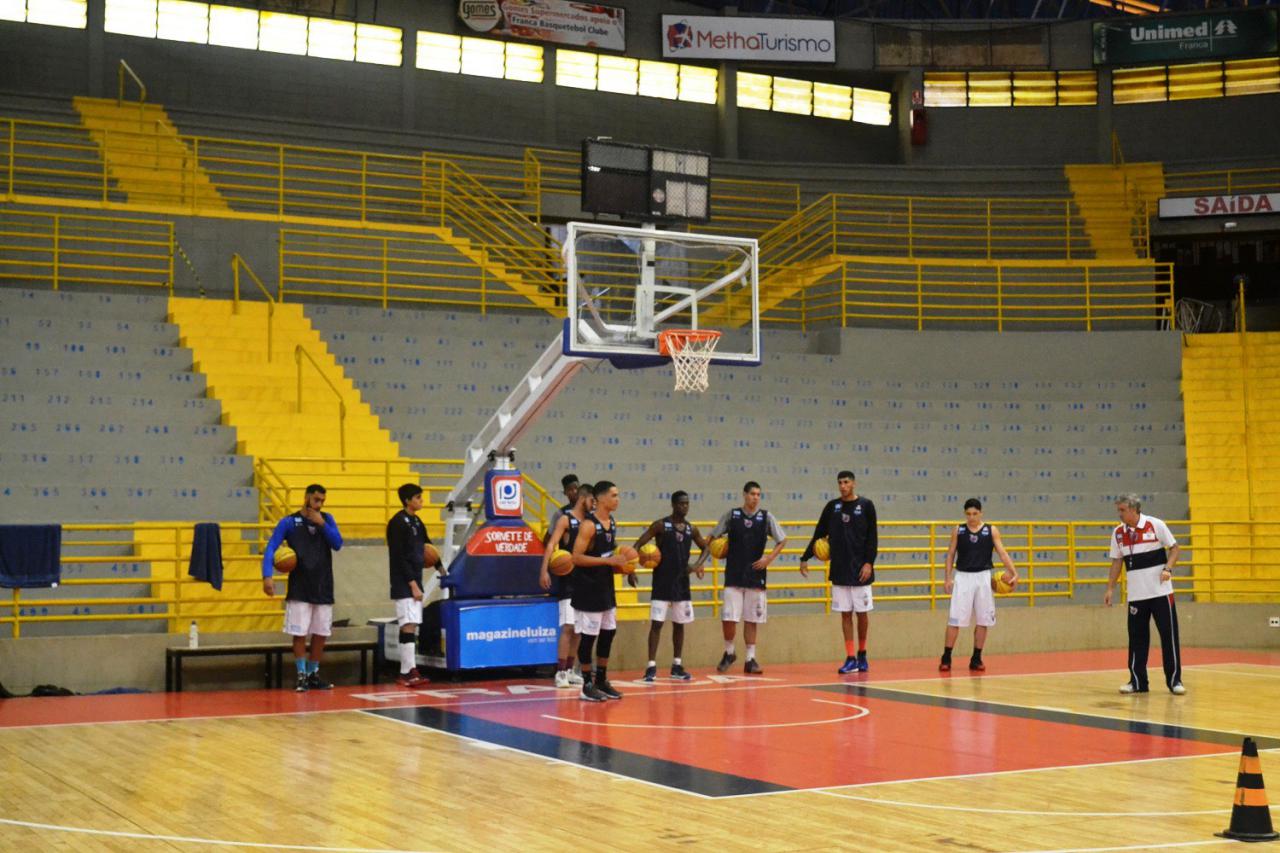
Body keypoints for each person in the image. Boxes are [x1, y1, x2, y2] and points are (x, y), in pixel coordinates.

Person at [262, 484, 343, 692]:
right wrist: (267, 575)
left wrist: (322, 525)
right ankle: (300, 675)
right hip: (300, 585)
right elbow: (271, 546)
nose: (319, 504)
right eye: (316, 500)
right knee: (299, 632)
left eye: (323, 501)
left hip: (324, 584)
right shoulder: (289, 522)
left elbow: (337, 544)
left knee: (320, 632)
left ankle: (313, 673)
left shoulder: (328, 519)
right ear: (307, 497)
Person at [1105, 494, 1185, 695]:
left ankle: (1175, 681)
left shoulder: (1155, 525)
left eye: (1122, 510)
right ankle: (1138, 681)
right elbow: (1116, 562)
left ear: (1134, 509)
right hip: (1136, 596)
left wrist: (1168, 568)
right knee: (1137, 639)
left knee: (1169, 636)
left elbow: (1175, 548)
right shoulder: (1118, 533)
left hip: (1161, 593)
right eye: (1119, 510)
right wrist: (1110, 588)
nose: (1119, 514)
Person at [800, 471, 878, 674]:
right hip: (840, 568)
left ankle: (862, 654)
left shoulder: (866, 506)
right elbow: (818, 533)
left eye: (846, 482)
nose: (843, 486)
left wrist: (869, 562)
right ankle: (850, 657)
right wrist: (805, 557)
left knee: (862, 614)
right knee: (845, 614)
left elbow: (873, 538)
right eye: (840, 483)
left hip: (861, 569)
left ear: (854, 483)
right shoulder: (832, 507)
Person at [708, 481, 786, 675]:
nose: (755, 497)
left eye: (759, 494)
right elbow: (712, 537)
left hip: (755, 574)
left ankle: (750, 659)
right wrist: (703, 560)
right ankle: (729, 652)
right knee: (729, 618)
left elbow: (782, 539)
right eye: (752, 494)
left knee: (752, 619)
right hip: (734, 574)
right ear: (744, 495)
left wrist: (769, 558)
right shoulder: (732, 515)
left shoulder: (766, 517)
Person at [634, 491, 710, 682]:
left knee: (679, 625)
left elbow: (706, 548)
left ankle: (677, 665)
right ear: (673, 504)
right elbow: (638, 544)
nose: (685, 507)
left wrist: (696, 565)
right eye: (681, 503)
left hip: (682, 583)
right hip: (662, 581)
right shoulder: (661, 525)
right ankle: (651, 666)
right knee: (657, 624)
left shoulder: (691, 529)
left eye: (687, 503)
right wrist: (630, 568)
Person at [938, 498, 1017, 673]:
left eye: (975, 513)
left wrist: (1013, 572)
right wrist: (947, 578)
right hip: (963, 577)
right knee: (955, 619)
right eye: (968, 514)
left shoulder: (991, 530)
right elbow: (950, 554)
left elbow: (1002, 552)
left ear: (981, 513)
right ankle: (946, 656)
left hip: (983, 577)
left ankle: (976, 657)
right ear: (964, 514)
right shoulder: (958, 530)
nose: (972, 517)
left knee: (983, 619)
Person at [570, 481, 630, 701]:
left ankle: (601, 680)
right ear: (602, 498)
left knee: (608, 634)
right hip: (588, 589)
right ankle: (586, 684)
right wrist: (608, 562)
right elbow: (576, 557)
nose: (617, 499)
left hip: (605, 588)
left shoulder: (611, 522)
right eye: (614, 495)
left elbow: (608, 555)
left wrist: (623, 567)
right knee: (588, 638)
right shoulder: (588, 525)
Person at [386, 483, 443, 688]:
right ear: (408, 500)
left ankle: (407, 670)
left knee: (411, 625)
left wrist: (440, 568)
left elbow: (428, 546)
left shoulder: (417, 521)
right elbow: (398, 557)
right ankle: (408, 671)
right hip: (404, 581)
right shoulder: (397, 523)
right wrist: (412, 584)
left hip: (415, 579)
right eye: (418, 497)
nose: (421, 501)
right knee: (408, 625)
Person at [538, 481, 594, 689]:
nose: (593, 504)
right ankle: (560, 671)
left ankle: (571, 669)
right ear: (582, 498)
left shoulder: (590, 521)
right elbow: (551, 543)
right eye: (591, 500)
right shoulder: (565, 519)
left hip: (585, 580)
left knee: (579, 629)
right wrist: (544, 570)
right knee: (568, 627)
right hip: (568, 578)